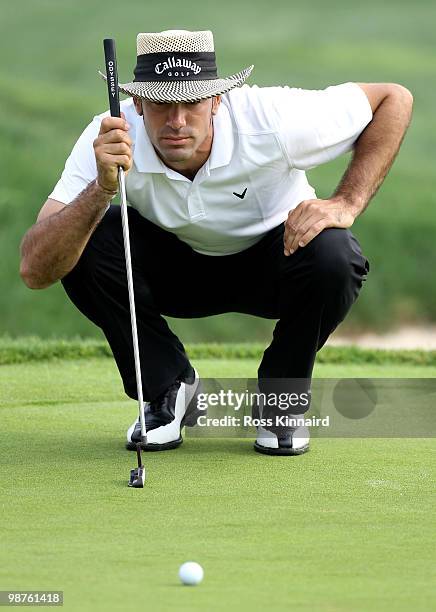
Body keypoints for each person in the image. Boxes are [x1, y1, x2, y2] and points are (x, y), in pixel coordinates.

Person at [19, 29, 413, 456]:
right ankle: (168, 390)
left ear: (217, 101)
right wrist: (100, 189)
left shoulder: (273, 118)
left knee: (335, 254)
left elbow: (393, 99)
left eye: (191, 103)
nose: (177, 121)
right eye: (162, 104)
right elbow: (37, 268)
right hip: (175, 267)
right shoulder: (110, 134)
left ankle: (281, 401)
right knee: (83, 235)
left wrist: (346, 202)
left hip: (278, 262)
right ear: (137, 104)